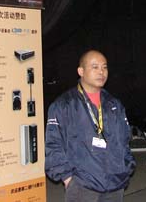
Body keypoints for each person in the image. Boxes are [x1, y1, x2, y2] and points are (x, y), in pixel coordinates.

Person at [45, 50, 135, 202]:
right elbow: (53, 145)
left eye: (104, 67)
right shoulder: (64, 105)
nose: (101, 72)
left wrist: (126, 167)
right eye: (95, 67)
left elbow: (124, 139)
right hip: (82, 186)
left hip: (115, 183)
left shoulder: (114, 104)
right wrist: (68, 179)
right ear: (81, 71)